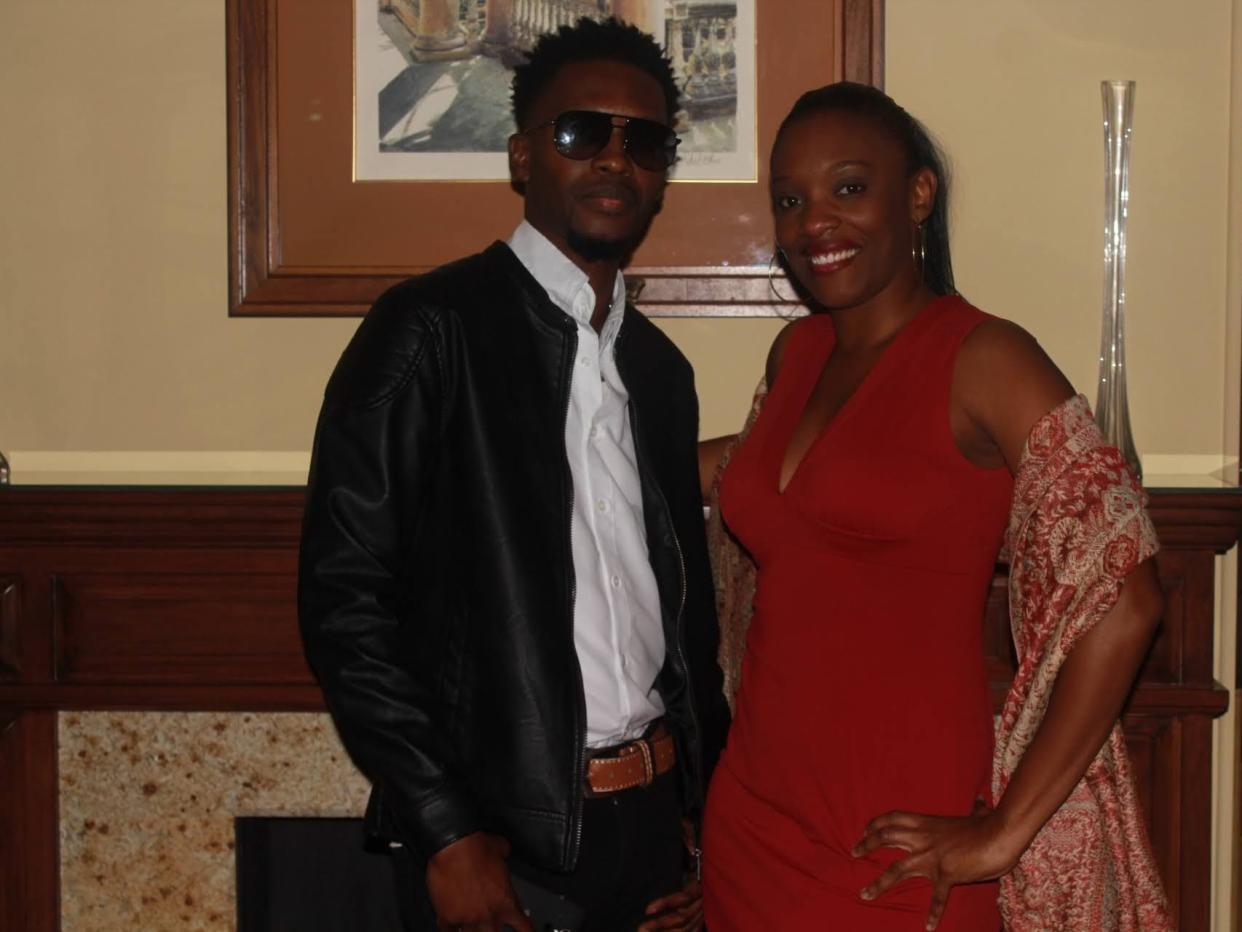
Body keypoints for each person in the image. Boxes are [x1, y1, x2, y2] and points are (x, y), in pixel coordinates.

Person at [699, 82, 1172, 930]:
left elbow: (1126, 590)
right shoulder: (796, 349)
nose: (815, 223)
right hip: (748, 827)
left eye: (849, 188)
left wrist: (1002, 834)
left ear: (918, 193)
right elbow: (772, 492)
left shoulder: (986, 356)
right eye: (790, 200)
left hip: (898, 848)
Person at [298, 17, 728, 932]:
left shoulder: (659, 374)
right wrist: (448, 831)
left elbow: (687, 626)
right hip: (499, 844)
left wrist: (704, 817)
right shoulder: (429, 331)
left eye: (644, 141)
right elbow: (344, 601)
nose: (616, 160)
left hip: (656, 840)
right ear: (523, 155)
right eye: (583, 132)